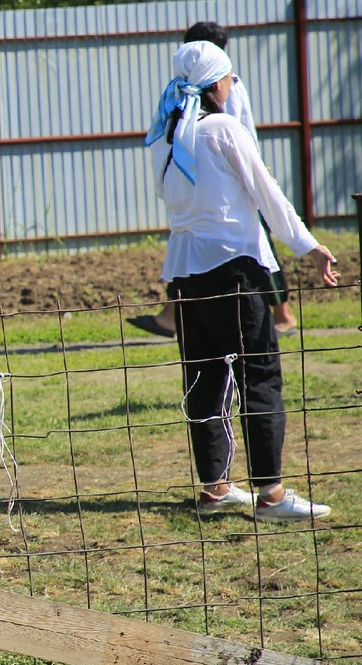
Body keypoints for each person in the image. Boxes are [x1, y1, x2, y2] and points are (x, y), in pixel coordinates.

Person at [143, 40, 337, 522]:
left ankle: (215, 488)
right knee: (260, 375)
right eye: (230, 77)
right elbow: (268, 193)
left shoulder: (167, 134)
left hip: (184, 273)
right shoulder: (225, 129)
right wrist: (309, 245)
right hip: (233, 269)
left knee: (204, 378)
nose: (233, 85)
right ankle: (271, 494)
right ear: (217, 83)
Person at [128, 21, 299, 340]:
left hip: (233, 180)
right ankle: (172, 315)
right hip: (211, 189)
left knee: (258, 244)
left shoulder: (225, 90)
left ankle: (282, 313)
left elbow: (234, 134)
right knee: (195, 244)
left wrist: (307, 245)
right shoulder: (179, 98)